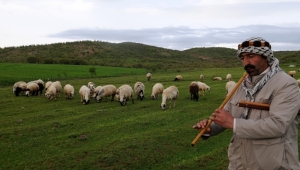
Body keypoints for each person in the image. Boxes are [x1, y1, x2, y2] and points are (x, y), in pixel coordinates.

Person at [193, 37, 300, 169]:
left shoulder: (286, 84)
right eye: (242, 58)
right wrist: (210, 128)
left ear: (265, 56)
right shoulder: (238, 87)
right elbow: (226, 115)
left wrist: (233, 123)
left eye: (250, 56)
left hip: (274, 164)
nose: (246, 62)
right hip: (238, 164)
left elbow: (278, 125)